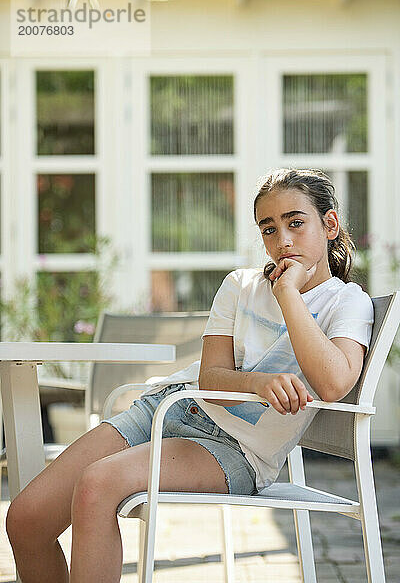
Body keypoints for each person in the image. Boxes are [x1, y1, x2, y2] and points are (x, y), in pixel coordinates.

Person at [6, 168, 374, 583]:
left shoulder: (348, 303)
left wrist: (289, 293)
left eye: (295, 223)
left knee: (97, 485)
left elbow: (333, 382)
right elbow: (212, 380)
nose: (282, 242)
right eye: (268, 230)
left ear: (329, 224)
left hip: (236, 451)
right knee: (25, 521)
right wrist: (254, 382)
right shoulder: (240, 285)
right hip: (167, 408)